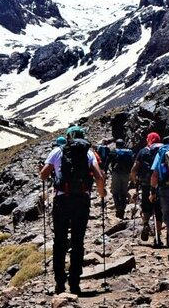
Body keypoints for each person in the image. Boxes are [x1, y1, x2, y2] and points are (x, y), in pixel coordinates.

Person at [40, 126, 106, 295]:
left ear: (68, 137)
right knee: (78, 241)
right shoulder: (89, 153)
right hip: (82, 200)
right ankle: (75, 283)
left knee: (59, 241)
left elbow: (43, 175)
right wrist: (101, 193)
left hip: (62, 200)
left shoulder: (58, 151)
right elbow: (98, 176)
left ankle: (59, 282)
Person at [130, 132, 164, 246]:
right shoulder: (163, 150)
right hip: (160, 183)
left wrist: (134, 181)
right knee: (158, 209)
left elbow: (134, 169)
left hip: (145, 183)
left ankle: (145, 223)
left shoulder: (143, 151)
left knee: (145, 206)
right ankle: (158, 236)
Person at [108, 139, 135, 219]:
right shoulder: (129, 152)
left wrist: (105, 172)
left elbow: (107, 162)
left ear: (116, 144)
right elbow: (133, 163)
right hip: (126, 174)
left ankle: (118, 207)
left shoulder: (114, 152)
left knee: (115, 192)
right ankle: (122, 209)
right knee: (124, 192)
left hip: (116, 174)